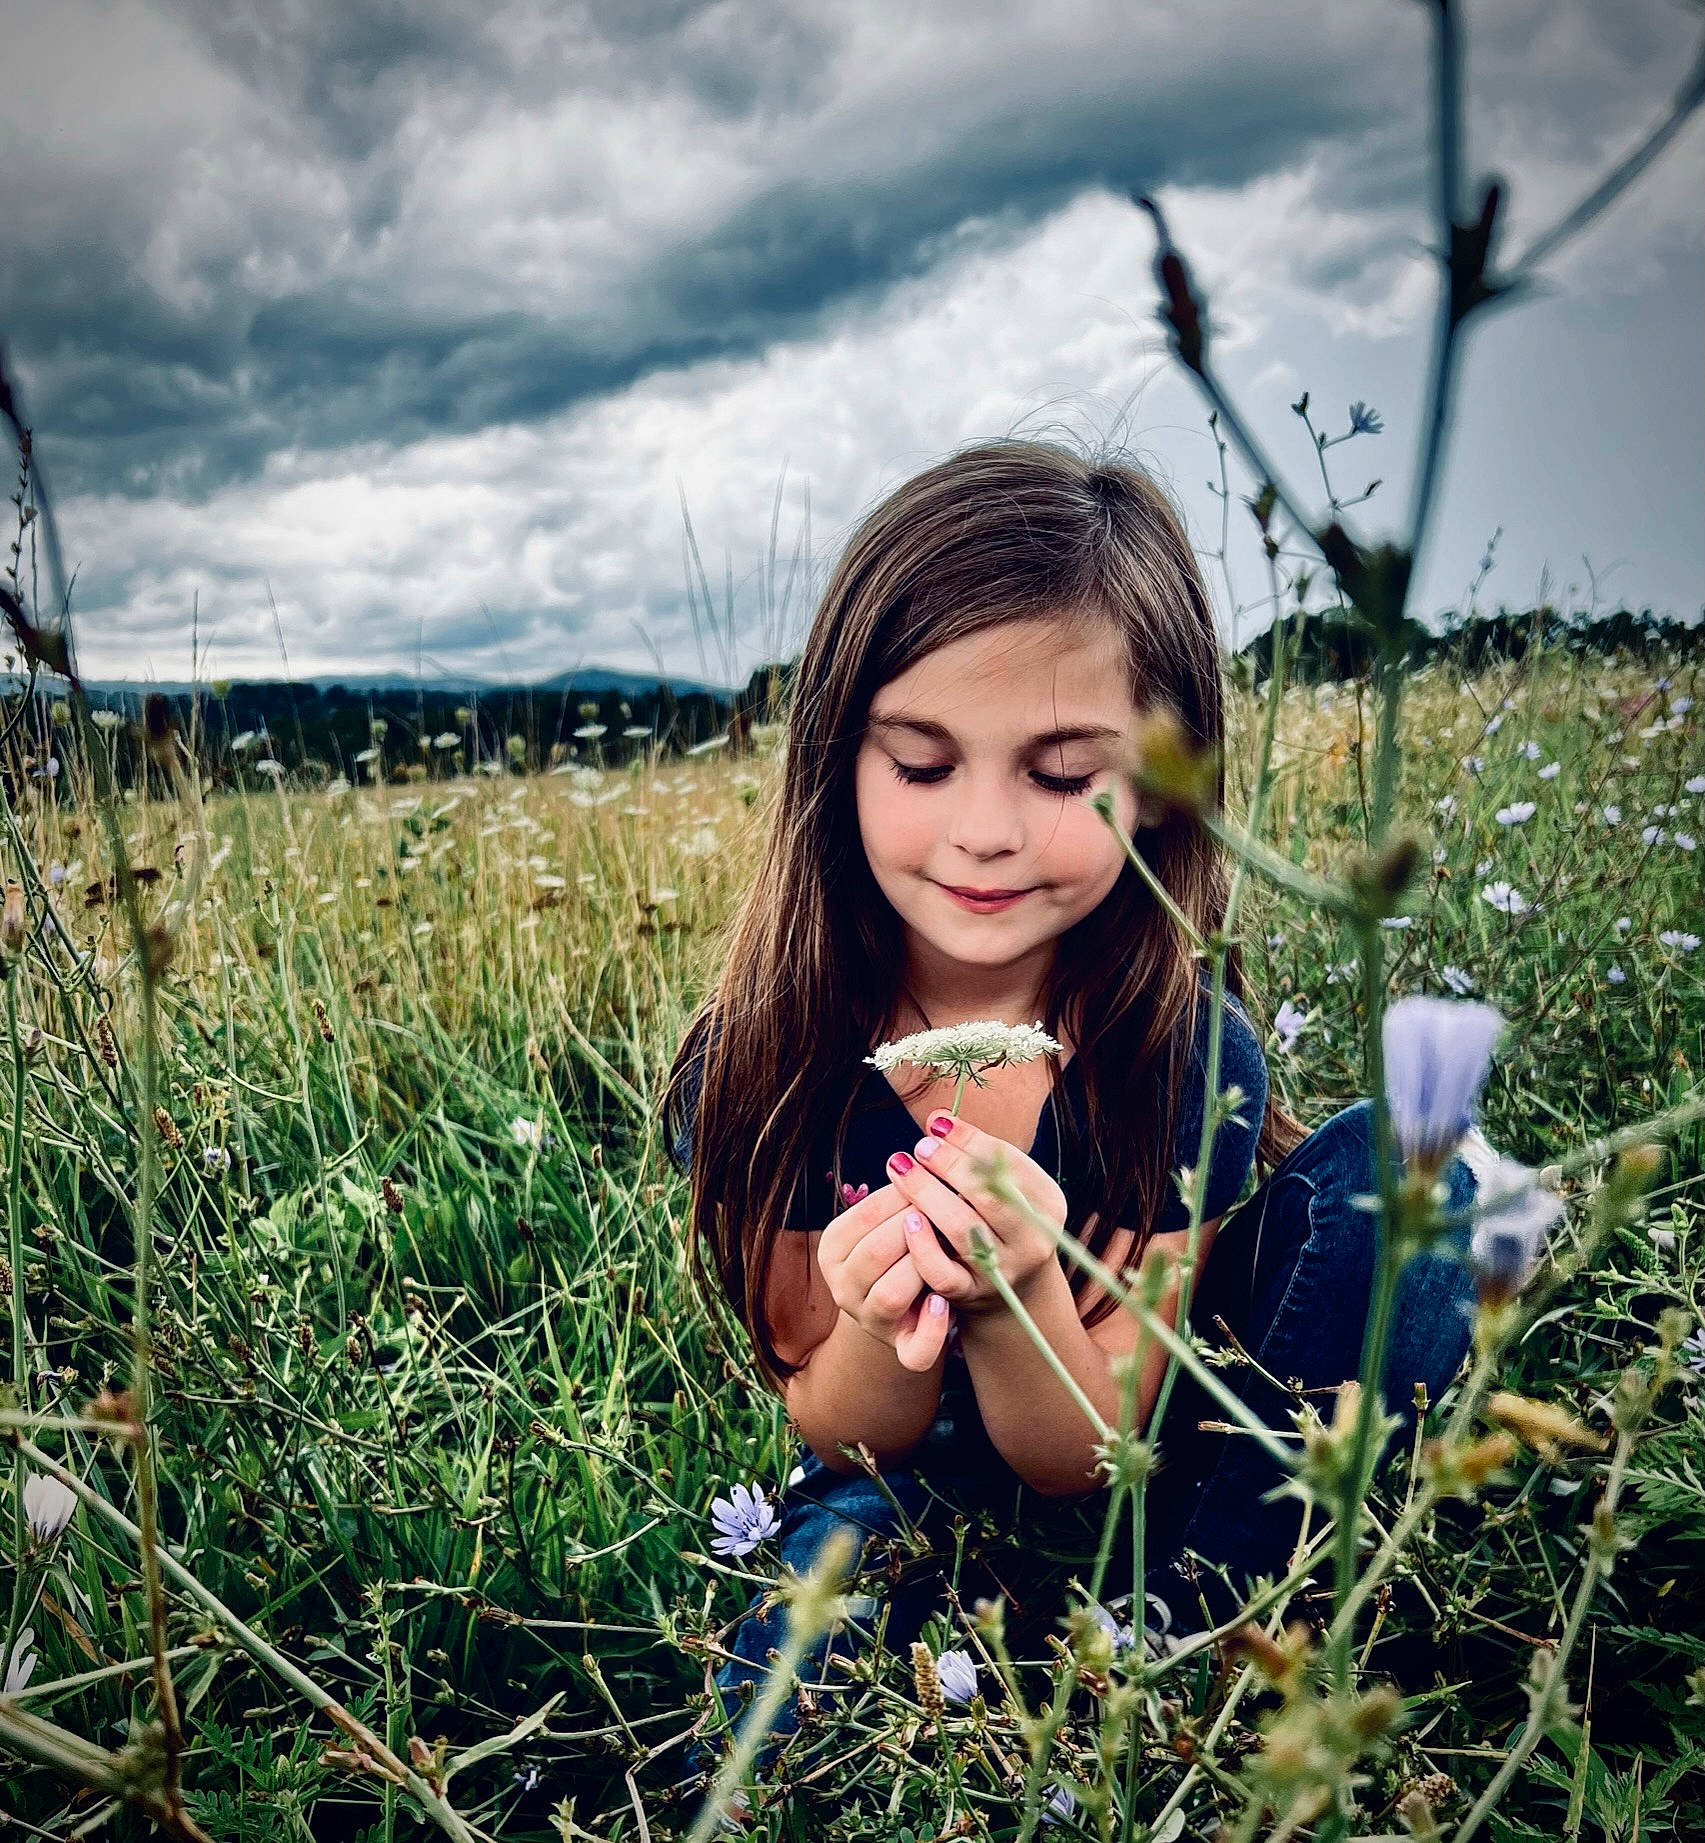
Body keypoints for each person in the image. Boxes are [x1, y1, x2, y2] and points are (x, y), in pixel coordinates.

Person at [659, 439, 1477, 1800]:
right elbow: (835, 1424)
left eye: (1057, 774)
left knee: (1412, 1177)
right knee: (800, 1656)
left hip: (1164, 1458)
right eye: (920, 763)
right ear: (833, 763)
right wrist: (878, 1325)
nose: (984, 832)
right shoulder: (766, 1065)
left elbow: (1082, 1455)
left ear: (1160, 779)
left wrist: (1017, 1288)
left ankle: (1195, 1620)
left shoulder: (1175, 1055)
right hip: (899, 1480)